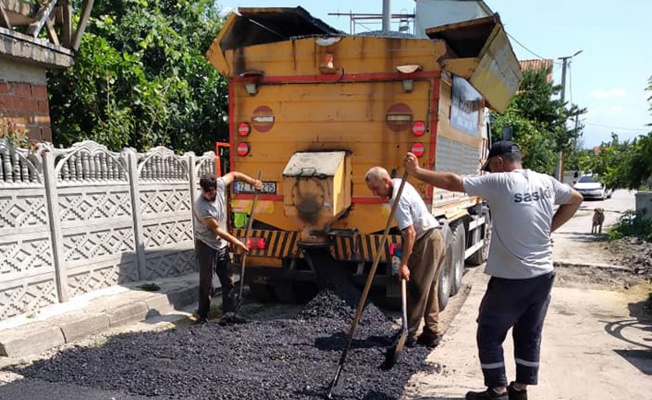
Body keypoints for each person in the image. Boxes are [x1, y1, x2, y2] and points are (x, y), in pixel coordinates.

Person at [403, 141, 583, 400]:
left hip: (512, 278)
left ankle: (497, 390)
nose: (488, 173)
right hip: (543, 276)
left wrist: (417, 172)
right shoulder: (546, 182)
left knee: (488, 331)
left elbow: (454, 182)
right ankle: (520, 390)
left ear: (498, 163)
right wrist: (548, 229)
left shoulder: (501, 182)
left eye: (489, 167)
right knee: (529, 333)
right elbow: (575, 198)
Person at [365, 166, 446, 348]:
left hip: (425, 240)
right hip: (434, 237)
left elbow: (410, 233)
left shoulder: (397, 199)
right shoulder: (399, 183)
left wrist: (403, 265)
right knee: (429, 288)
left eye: (376, 189)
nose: (376, 194)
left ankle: (409, 335)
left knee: (416, 289)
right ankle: (432, 333)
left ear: (386, 181)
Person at [193, 172, 262, 325]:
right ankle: (202, 316)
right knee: (207, 282)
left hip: (221, 245)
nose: (211, 195)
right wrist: (237, 243)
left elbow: (235, 175)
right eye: (207, 193)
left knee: (228, 281)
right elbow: (217, 230)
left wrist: (253, 181)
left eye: (213, 192)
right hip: (206, 245)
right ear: (202, 190)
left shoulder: (220, 184)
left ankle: (229, 315)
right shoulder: (201, 207)